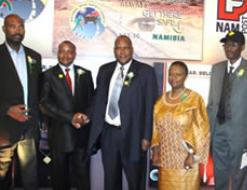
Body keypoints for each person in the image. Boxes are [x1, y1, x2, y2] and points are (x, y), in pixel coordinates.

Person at [88, 35, 158, 190]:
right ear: (114, 50)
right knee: (111, 180)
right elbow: (98, 99)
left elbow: (150, 106)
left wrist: (147, 136)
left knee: (135, 180)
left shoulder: (146, 72)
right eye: (118, 48)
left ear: (132, 50)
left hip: (134, 136)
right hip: (109, 134)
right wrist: (86, 115)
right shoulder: (105, 70)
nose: (122, 52)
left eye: (126, 48)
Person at [207, 31, 247, 190]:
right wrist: (208, 131)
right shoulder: (217, 68)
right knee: (219, 173)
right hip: (218, 130)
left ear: (242, 47)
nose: (229, 48)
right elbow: (211, 104)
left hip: (241, 134)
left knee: (239, 177)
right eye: (226, 44)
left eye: (233, 44)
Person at [40, 40, 94, 190]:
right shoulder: (47, 75)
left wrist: (85, 117)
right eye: (62, 51)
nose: (65, 55)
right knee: (59, 180)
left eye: (69, 51)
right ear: (57, 54)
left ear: (75, 54)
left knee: (83, 179)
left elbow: (92, 101)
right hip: (59, 136)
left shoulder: (85, 74)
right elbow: (44, 104)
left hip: (81, 136)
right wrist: (70, 118)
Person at [151, 61, 210, 190]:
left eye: (178, 74)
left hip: (185, 159)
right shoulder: (161, 102)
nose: (174, 78)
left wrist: (193, 156)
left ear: (185, 76)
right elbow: (155, 129)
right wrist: (155, 152)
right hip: (166, 159)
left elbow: (202, 129)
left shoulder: (194, 99)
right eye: (171, 74)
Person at [0, 14, 42, 189]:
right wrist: (7, 109)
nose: (17, 30)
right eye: (12, 26)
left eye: (20, 26)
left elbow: (39, 91)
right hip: (3, 128)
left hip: (29, 127)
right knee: (1, 179)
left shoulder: (35, 56)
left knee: (30, 179)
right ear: (4, 29)